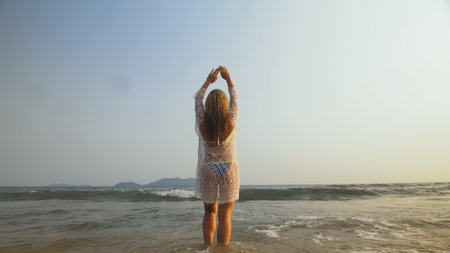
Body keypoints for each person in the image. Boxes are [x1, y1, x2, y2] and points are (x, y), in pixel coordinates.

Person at [194, 65, 239, 245]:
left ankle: (207, 248)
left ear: (208, 105)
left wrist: (208, 82)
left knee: (209, 213)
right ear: (224, 104)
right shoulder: (230, 120)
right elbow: (235, 98)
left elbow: (198, 98)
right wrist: (228, 80)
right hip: (228, 167)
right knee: (225, 215)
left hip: (209, 169)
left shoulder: (203, 121)